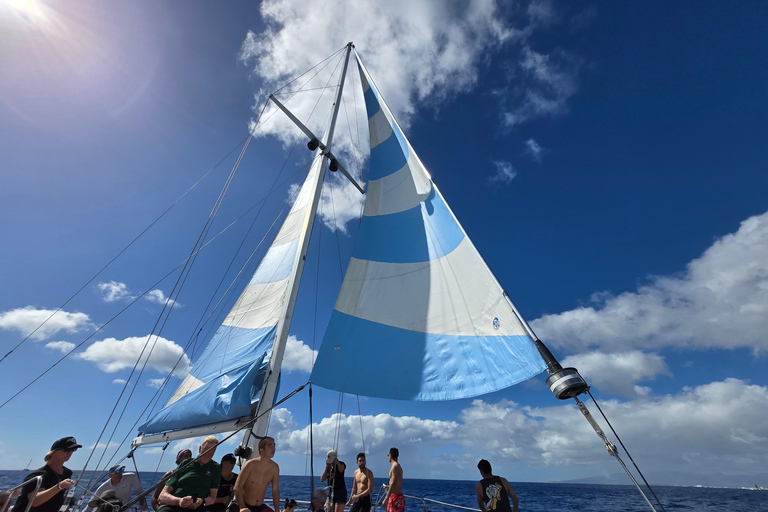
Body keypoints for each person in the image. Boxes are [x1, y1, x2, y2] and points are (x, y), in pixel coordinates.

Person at [12, 436, 81, 512]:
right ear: (54, 452)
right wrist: (60, 486)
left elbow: (57, 498)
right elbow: (35, 501)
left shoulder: (67, 473)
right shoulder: (38, 475)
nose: (70, 452)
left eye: (73, 450)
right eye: (66, 450)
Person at [157, 436, 221, 512]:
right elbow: (162, 495)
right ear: (200, 449)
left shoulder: (215, 468)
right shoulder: (186, 463)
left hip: (198, 507)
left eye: (211, 453)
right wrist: (179, 501)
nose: (207, 455)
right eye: (205, 451)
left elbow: (212, 498)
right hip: (174, 505)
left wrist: (201, 501)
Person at [233, 437, 279, 512]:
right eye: (270, 446)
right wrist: (242, 507)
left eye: (274, 446)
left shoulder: (275, 467)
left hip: (259, 507)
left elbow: (275, 490)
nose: (273, 449)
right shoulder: (250, 464)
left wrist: (277, 510)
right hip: (243, 505)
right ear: (261, 450)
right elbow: (237, 487)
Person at [378, 448, 403, 512]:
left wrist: (386, 499)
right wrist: (388, 487)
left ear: (390, 455)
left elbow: (393, 483)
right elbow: (397, 484)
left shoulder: (394, 467)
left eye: (388, 455)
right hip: (399, 497)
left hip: (395, 498)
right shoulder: (399, 466)